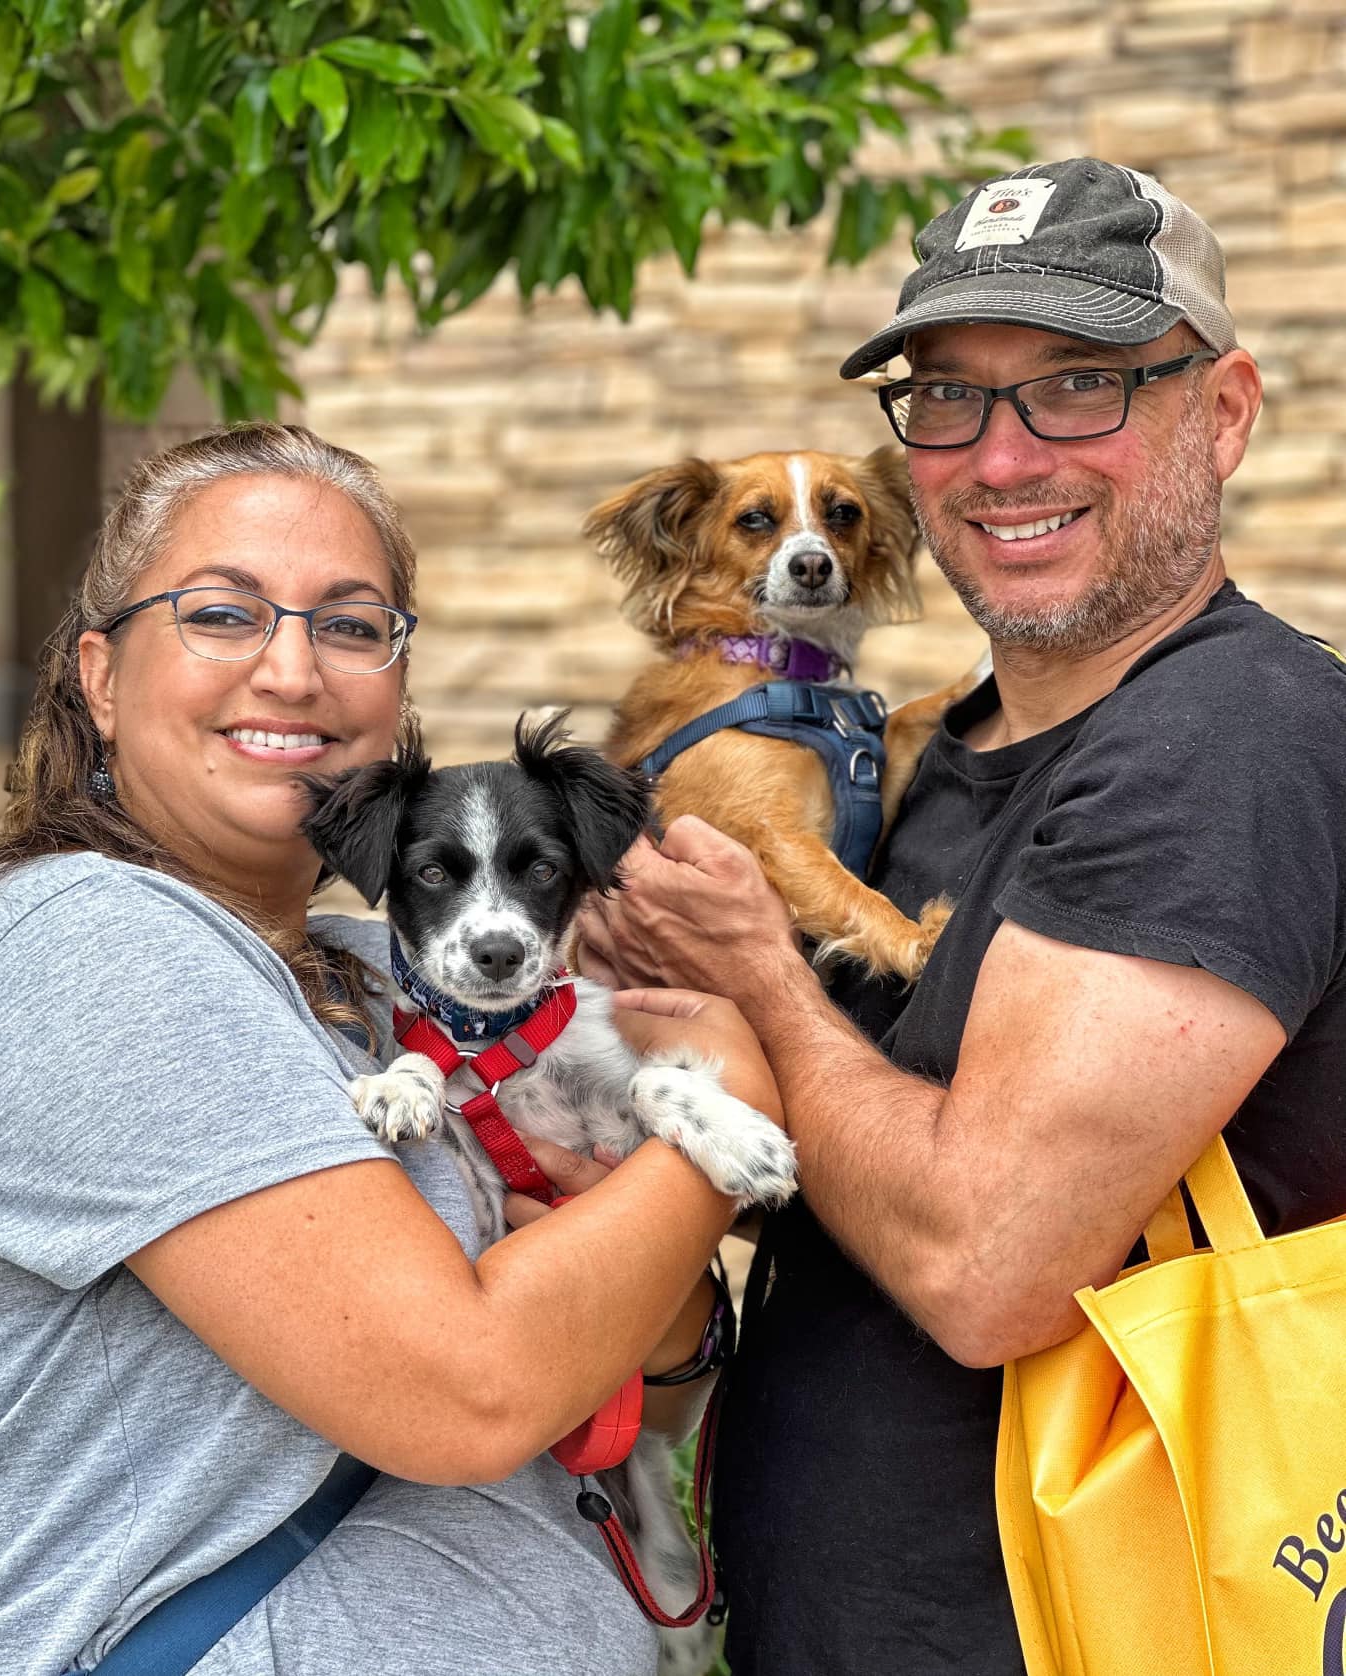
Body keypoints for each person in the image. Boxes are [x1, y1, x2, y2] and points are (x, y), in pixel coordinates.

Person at [576, 157, 1346, 1674]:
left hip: (1100, 1629)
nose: (1001, 459)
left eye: (1077, 387)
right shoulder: (919, 757)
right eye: (945, 399)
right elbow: (797, 1164)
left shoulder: (1226, 738)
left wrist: (762, 987)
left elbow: (985, 1267)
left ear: (1227, 412)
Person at [0, 422, 781, 1675]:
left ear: (396, 689)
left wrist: (657, 1301)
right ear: (99, 675)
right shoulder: (82, 945)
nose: (292, 669)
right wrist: (720, 1097)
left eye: (351, 625)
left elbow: (631, 1378)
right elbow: (469, 1392)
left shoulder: (365, 974)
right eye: (222, 614)